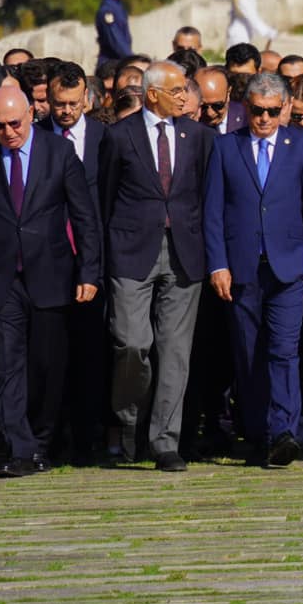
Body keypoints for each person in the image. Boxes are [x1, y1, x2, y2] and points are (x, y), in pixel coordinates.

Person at [0, 88, 103, 477]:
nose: (8, 132)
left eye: (15, 124)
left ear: (29, 115)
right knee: (7, 366)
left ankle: (40, 444)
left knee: (45, 367)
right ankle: (20, 450)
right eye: (0, 125)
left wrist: (90, 271)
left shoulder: (58, 152)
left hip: (51, 276)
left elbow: (84, 216)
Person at [205, 74, 303, 467]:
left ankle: (283, 431)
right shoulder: (227, 147)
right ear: (245, 108)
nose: (263, 118)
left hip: (289, 267)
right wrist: (218, 264)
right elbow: (212, 211)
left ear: (284, 109)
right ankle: (259, 431)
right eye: (257, 110)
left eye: (272, 112)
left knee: (283, 350)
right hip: (242, 266)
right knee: (248, 353)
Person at [97, 60, 215, 467]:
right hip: (131, 251)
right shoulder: (119, 136)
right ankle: (129, 422)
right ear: (152, 94)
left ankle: (165, 440)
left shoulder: (199, 136)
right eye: (177, 90)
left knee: (175, 350)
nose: (186, 96)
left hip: (185, 251)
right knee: (132, 342)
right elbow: (106, 197)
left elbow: (203, 195)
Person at [96, 0, 133, 65]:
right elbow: (116, 41)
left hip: (119, 63)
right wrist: (133, 61)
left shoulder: (117, 6)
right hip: (111, 67)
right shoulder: (107, 11)